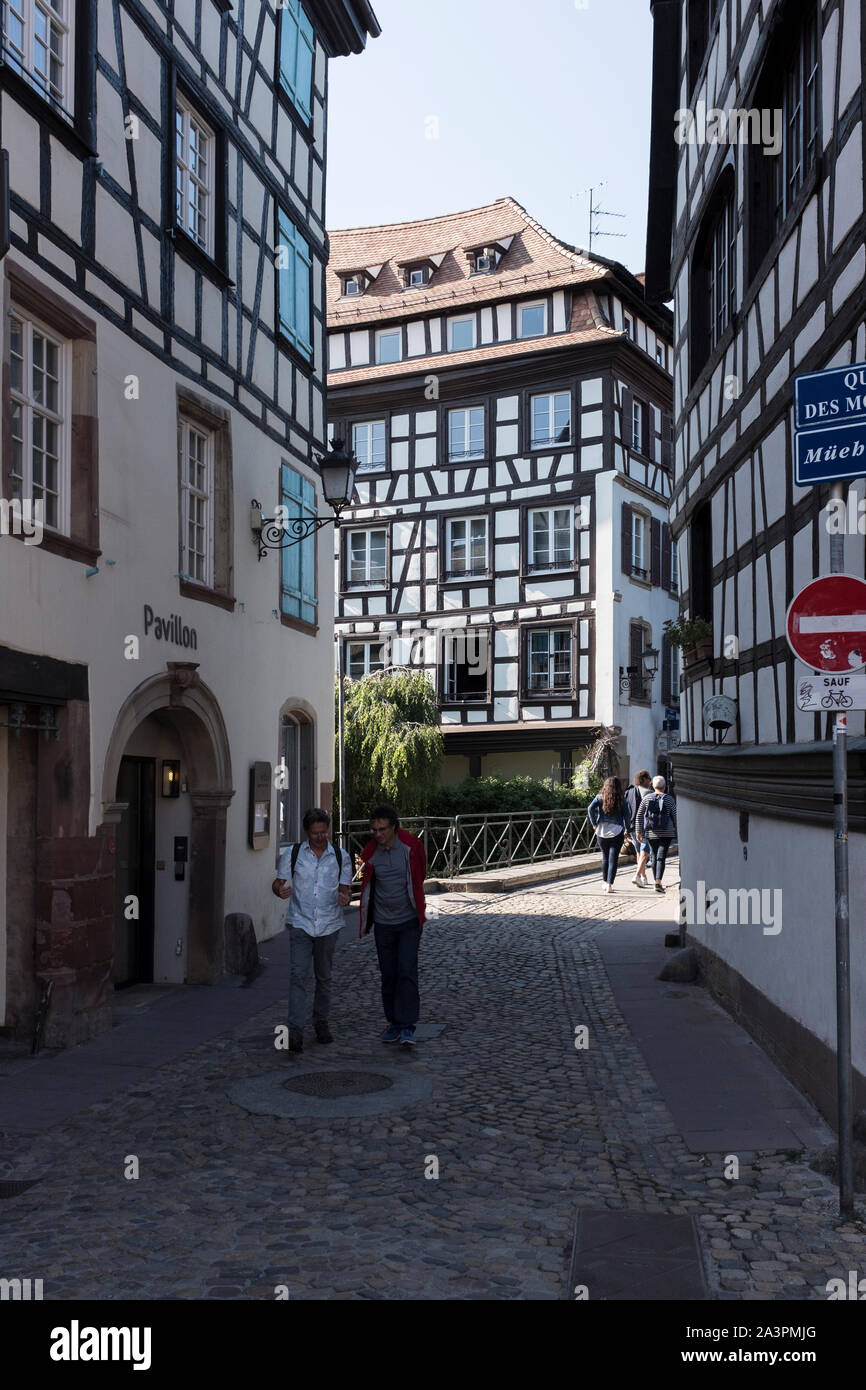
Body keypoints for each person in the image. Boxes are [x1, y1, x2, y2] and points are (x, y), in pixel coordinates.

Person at [272, 808, 353, 1053]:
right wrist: (279, 890)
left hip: (328, 925)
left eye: (324, 832)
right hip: (300, 923)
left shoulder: (340, 856)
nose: (320, 837)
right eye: (316, 833)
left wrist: (344, 897)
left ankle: (321, 1022)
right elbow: (277, 883)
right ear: (307, 832)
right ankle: (295, 1029)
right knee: (298, 975)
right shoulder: (294, 854)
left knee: (324, 977)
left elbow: (346, 890)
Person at [358, 805, 427, 1049]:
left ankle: (408, 1024)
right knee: (388, 974)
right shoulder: (370, 852)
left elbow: (421, 873)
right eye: (374, 829)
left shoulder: (411, 846)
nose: (378, 834)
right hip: (383, 924)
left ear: (394, 828)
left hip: (408, 921)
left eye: (382, 829)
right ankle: (394, 1023)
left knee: (406, 970)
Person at [587, 777, 632, 894]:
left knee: (605, 857)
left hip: (601, 831)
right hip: (617, 831)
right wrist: (627, 829)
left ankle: (604, 882)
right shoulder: (622, 799)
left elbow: (590, 808)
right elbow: (627, 816)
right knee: (613, 859)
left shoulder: (599, 797)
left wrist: (594, 824)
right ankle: (609, 885)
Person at [635, 775, 678, 894]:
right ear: (664, 786)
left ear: (653, 786)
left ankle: (656, 880)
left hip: (651, 832)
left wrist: (639, 831)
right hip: (666, 832)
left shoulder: (647, 798)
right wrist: (676, 828)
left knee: (654, 855)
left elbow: (639, 815)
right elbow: (675, 815)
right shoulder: (669, 799)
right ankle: (658, 881)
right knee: (661, 856)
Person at [624, 769, 653, 887]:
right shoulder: (648, 793)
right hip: (644, 826)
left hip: (631, 825)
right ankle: (636, 875)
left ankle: (643, 877)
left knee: (638, 852)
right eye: (649, 779)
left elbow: (626, 810)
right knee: (645, 852)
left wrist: (625, 828)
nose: (650, 781)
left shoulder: (629, 791)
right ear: (644, 779)